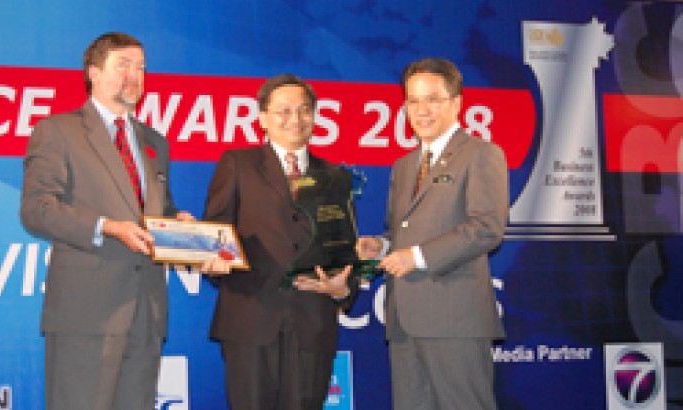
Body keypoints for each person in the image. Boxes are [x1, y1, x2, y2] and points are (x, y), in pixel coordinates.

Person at [20, 32, 193, 410]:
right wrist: (108, 227)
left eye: (141, 68)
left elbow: (156, 215)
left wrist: (184, 230)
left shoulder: (154, 142)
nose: (134, 76)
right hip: (87, 313)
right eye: (123, 65)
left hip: (146, 312)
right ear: (94, 73)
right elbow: (37, 209)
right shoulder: (58, 131)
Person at [200, 74, 359, 410]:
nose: (295, 120)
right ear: (262, 118)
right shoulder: (237, 164)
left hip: (313, 322)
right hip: (250, 318)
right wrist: (213, 261)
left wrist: (343, 289)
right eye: (283, 111)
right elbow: (216, 230)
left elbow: (345, 250)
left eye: (304, 110)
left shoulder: (337, 176)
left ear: (315, 116)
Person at [357, 57, 508, 410]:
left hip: (455, 319)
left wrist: (417, 257)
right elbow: (402, 234)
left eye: (432, 99)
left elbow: (487, 228)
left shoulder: (481, 154)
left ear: (456, 104)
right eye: (413, 100)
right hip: (404, 320)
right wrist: (380, 246)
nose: (421, 110)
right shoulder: (404, 166)